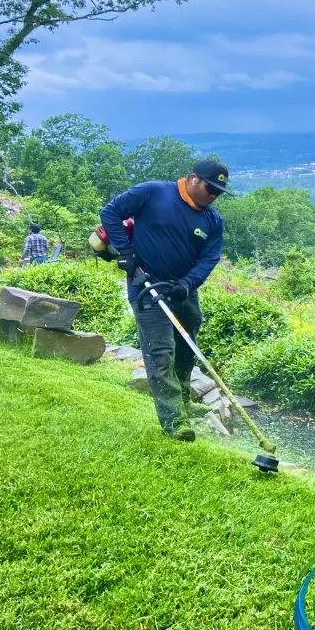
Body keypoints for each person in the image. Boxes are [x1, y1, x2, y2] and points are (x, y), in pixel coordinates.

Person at [100, 160, 231, 441]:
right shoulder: (153, 192)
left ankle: (183, 399)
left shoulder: (212, 220)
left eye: (220, 192)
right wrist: (126, 251)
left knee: (187, 349)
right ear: (194, 179)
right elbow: (110, 212)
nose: (214, 196)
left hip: (182, 291)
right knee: (160, 353)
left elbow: (210, 258)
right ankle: (174, 422)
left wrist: (188, 283)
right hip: (147, 286)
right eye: (211, 188)